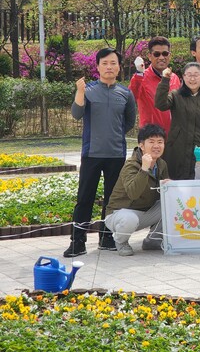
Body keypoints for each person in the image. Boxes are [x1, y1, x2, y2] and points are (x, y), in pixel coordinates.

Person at [64, 47, 137, 258]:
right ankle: (78, 242)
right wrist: (79, 92)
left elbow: (129, 122)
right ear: (97, 66)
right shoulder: (88, 90)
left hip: (116, 154)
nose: (109, 67)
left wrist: (113, 134)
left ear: (119, 67)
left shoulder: (125, 93)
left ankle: (107, 238)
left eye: (113, 63)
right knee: (84, 199)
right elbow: (76, 114)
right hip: (91, 154)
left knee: (112, 200)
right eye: (104, 63)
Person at [104, 124, 170, 256]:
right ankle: (121, 241)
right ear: (141, 145)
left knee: (170, 203)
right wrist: (144, 169)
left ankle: (154, 239)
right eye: (151, 142)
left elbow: (163, 194)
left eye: (160, 142)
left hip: (145, 212)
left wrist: (168, 187)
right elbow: (133, 193)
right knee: (130, 219)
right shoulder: (131, 165)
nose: (156, 146)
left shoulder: (161, 164)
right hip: (120, 213)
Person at [155, 62, 200, 180]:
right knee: (176, 183)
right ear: (183, 77)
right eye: (189, 75)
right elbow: (160, 104)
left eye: (196, 75)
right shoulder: (176, 95)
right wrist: (165, 80)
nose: (192, 79)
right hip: (177, 149)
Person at [129, 36, 181, 133]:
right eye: (157, 54)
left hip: (173, 136)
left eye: (165, 53)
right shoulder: (141, 78)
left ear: (169, 55)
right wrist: (139, 74)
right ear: (149, 56)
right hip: (150, 136)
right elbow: (131, 97)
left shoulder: (175, 78)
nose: (161, 57)